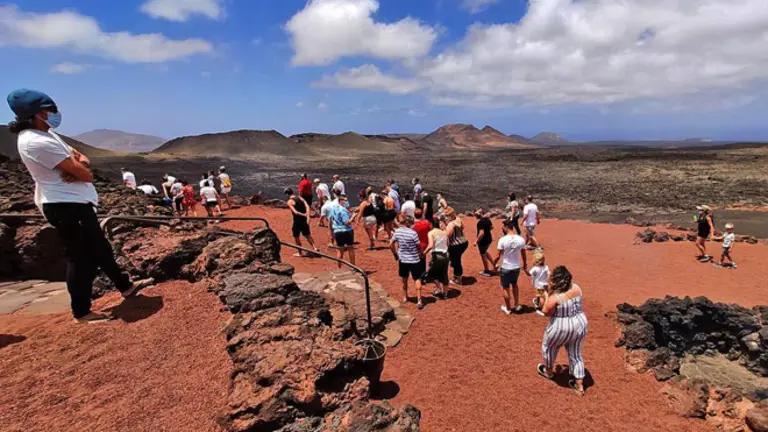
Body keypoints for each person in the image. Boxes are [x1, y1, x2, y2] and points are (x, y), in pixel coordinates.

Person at [7, 88, 138, 323]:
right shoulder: (36, 142)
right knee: (80, 257)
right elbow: (86, 174)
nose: (56, 114)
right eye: (51, 110)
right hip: (64, 204)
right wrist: (77, 168)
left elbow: (82, 159)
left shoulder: (49, 135)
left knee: (100, 248)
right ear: (38, 114)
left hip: (76, 202)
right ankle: (82, 311)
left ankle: (125, 286)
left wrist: (77, 165)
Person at [537, 265, 589, 395]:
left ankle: (549, 372)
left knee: (549, 347)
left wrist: (545, 295)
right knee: (575, 353)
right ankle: (579, 385)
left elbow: (546, 312)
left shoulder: (555, 297)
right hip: (580, 323)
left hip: (561, 326)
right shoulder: (577, 287)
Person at [493, 219, 528, 314]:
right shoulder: (521, 239)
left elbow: (497, 255)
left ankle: (508, 308)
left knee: (505, 287)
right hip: (516, 267)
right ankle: (516, 304)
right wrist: (525, 264)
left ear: (506, 227)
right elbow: (523, 253)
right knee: (515, 285)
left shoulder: (503, 240)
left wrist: (493, 264)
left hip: (505, 267)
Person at [391, 215, 424, 309]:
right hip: (414, 259)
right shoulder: (413, 233)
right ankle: (419, 300)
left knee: (404, 278)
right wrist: (421, 253)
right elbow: (418, 246)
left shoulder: (397, 231)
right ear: (410, 223)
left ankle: (405, 297)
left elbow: (391, 243)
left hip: (403, 259)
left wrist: (395, 254)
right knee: (417, 279)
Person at [421, 215, 450, 300]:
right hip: (446, 255)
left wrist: (424, 253)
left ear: (431, 224)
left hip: (437, 256)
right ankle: (445, 294)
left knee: (431, 274)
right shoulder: (445, 232)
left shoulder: (431, 233)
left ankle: (439, 289)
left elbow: (430, 245)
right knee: (444, 274)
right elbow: (447, 244)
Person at [285, 188, 319, 256]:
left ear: (287, 194)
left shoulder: (289, 202)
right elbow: (307, 206)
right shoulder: (300, 198)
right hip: (304, 220)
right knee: (307, 235)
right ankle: (315, 247)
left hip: (297, 221)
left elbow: (295, 212)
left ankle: (300, 253)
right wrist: (307, 216)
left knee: (296, 237)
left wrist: (304, 214)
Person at [328, 194, 357, 267]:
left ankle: (339, 268)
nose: (346, 202)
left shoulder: (333, 208)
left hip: (337, 231)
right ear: (340, 201)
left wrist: (331, 231)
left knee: (340, 250)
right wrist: (353, 217)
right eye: (345, 200)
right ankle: (353, 267)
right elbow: (346, 223)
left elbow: (330, 220)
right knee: (350, 249)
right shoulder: (343, 210)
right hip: (346, 231)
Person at [444, 207, 469, 285]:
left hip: (455, 245)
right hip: (463, 242)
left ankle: (458, 279)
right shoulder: (459, 220)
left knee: (456, 261)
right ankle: (457, 275)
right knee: (456, 260)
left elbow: (447, 235)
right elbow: (463, 228)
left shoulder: (451, 224)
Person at [528, 251, 549, 316]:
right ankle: (537, 302)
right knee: (543, 295)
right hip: (545, 284)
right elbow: (549, 274)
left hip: (538, 285)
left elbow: (529, 274)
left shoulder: (535, 268)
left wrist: (525, 270)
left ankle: (541, 309)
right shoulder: (546, 267)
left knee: (541, 297)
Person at [475, 209, 494, 277]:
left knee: (483, 255)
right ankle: (494, 264)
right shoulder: (488, 220)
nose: (475, 216)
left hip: (483, 241)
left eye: (476, 215)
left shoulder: (480, 223)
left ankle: (486, 271)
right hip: (489, 239)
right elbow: (491, 227)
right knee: (485, 252)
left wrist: (476, 241)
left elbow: (481, 233)